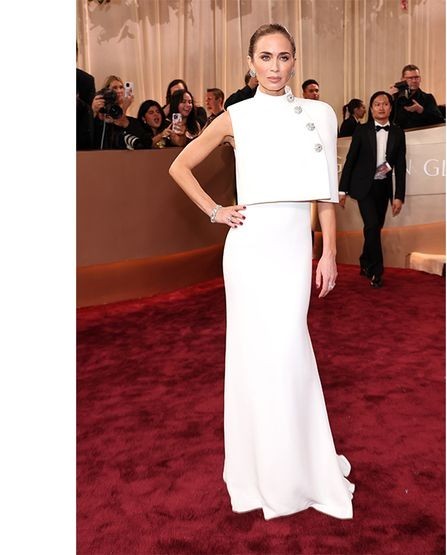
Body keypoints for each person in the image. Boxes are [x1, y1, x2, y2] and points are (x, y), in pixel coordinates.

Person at [168, 23, 354, 520]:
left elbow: (327, 195)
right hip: (249, 248)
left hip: (294, 245)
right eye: (266, 57)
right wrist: (216, 211)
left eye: (284, 57)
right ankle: (260, 468)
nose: (275, 67)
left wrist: (328, 253)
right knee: (255, 355)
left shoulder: (320, 113)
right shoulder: (236, 116)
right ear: (251, 62)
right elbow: (179, 166)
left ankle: (300, 465)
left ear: (295, 61)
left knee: (290, 347)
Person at [339, 91, 407, 288]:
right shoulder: (362, 130)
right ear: (371, 108)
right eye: (377, 104)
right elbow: (350, 160)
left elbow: (400, 166)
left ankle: (365, 261)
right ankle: (376, 271)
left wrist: (398, 196)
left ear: (391, 108)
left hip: (383, 186)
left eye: (385, 104)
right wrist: (342, 190)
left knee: (374, 228)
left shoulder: (397, 132)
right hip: (363, 187)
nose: (381, 107)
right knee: (371, 225)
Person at [93, 75, 145, 149]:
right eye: (115, 88)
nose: (119, 91)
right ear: (107, 91)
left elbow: (144, 141)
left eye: (121, 87)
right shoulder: (101, 118)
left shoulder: (132, 121)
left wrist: (124, 107)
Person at [388, 64, 444, 129]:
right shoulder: (395, 98)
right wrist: (388, 98)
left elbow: (440, 121)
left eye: (417, 77)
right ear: (402, 80)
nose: (414, 81)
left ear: (420, 79)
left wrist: (421, 110)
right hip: (399, 136)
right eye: (410, 78)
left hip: (421, 136)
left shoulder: (428, 98)